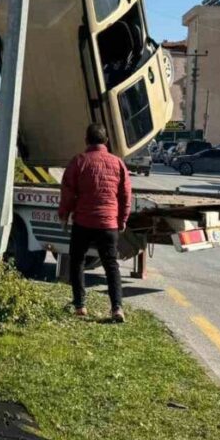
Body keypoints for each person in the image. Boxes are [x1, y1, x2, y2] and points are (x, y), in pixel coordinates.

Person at [58, 123, 132, 323]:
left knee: (77, 261)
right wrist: (122, 219)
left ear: (86, 141)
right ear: (106, 141)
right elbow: (126, 195)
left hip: (83, 221)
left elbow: (67, 192)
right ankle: (117, 308)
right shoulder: (118, 163)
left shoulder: (79, 161)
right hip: (108, 224)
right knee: (111, 265)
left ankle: (80, 305)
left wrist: (64, 214)